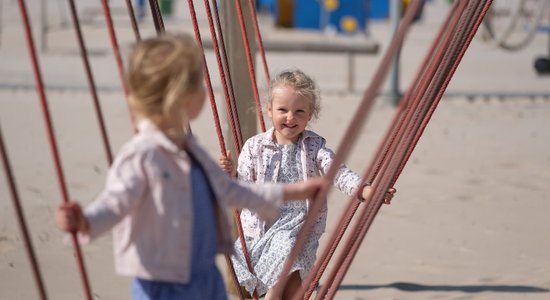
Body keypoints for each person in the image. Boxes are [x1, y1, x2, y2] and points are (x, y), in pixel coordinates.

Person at [55, 34, 324, 300]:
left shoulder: (191, 149)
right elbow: (115, 204)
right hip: (162, 282)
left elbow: (232, 191)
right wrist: (84, 221)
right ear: (180, 98)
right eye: (199, 84)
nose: (205, 91)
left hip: (204, 275)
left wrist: (293, 193)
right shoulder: (141, 156)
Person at [219, 69, 396, 299]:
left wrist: (365, 189)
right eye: (283, 110)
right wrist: (231, 174)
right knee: (292, 289)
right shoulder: (255, 147)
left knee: (288, 257)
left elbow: (338, 174)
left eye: (299, 111)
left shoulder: (314, 146)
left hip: (299, 225)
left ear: (310, 114)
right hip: (261, 227)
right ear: (269, 110)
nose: (290, 117)